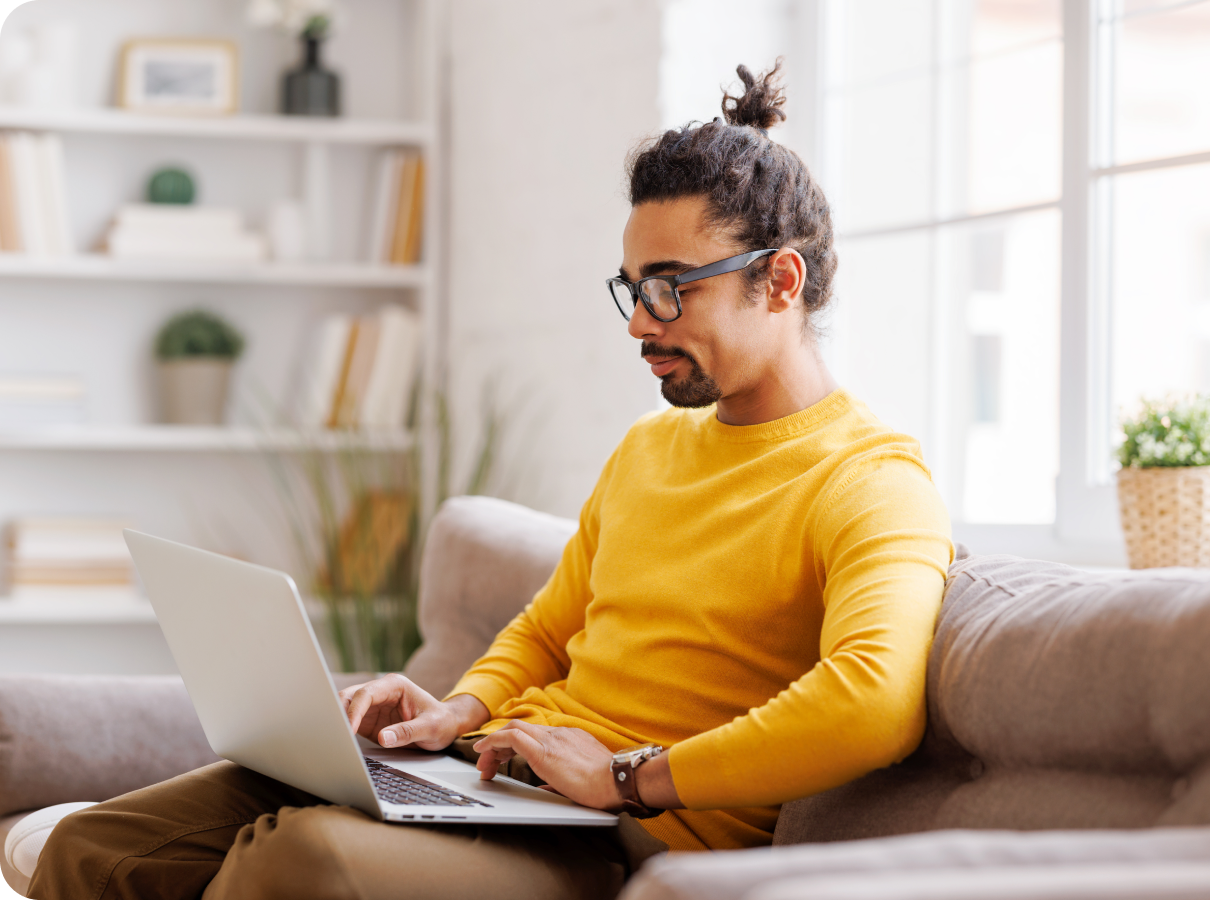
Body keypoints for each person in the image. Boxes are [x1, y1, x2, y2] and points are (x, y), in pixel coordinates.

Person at [29, 61, 951, 900]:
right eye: (632, 288)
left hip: (624, 840)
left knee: (297, 859)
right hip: (501, 785)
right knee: (95, 845)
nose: (641, 323)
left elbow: (871, 704)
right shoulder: (649, 450)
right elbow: (550, 627)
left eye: (672, 287)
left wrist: (627, 776)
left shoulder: (870, 478)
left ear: (780, 281)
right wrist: (460, 709)